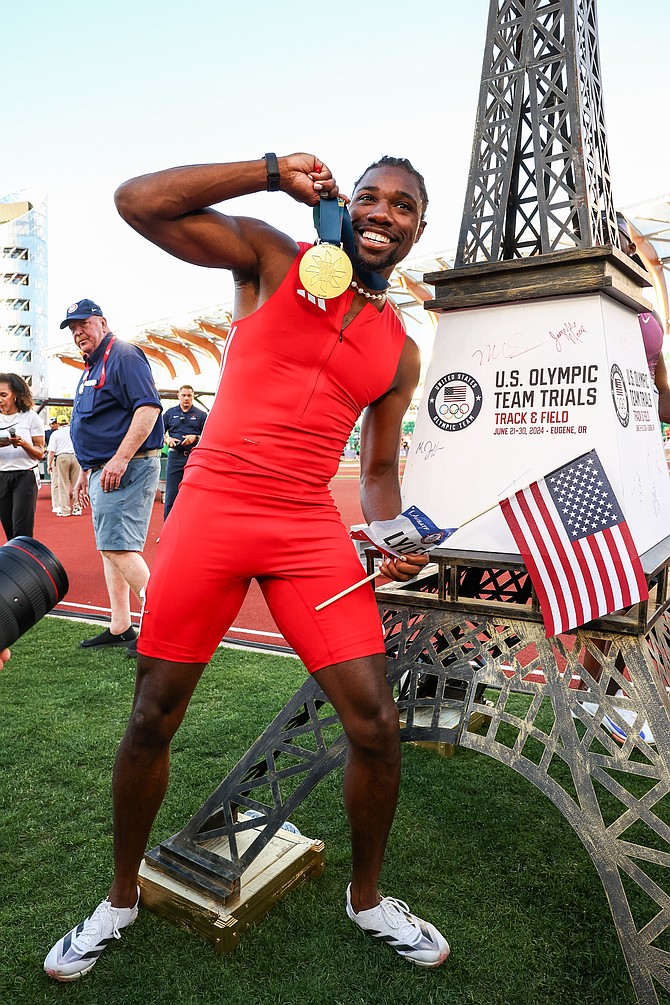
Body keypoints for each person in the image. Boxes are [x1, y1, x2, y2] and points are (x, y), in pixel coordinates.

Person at [44, 152, 450, 982]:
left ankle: (367, 897)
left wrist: (391, 532)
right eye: (367, 196)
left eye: (402, 205)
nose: (381, 212)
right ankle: (120, 897)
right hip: (216, 510)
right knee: (153, 713)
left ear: (418, 225)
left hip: (307, 523)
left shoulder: (400, 350)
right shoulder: (272, 258)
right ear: (342, 208)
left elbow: (376, 471)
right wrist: (269, 171)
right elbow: (138, 203)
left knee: (375, 722)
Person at [62, 299, 163, 653]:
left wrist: (119, 460)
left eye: (83, 325)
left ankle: (163, 624)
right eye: (72, 329)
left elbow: (148, 408)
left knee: (118, 547)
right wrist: (85, 469)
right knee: (111, 549)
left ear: (102, 323)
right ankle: (121, 625)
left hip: (126, 468)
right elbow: (92, 422)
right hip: (103, 469)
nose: (77, 333)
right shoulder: (91, 367)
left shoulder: (123, 355)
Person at [0, 373, 45, 540]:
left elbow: (40, 453)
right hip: (2, 476)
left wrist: (23, 443)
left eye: (3, 395)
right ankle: (14, 564)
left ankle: (25, 563)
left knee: (22, 530)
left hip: (25, 475)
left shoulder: (31, 417)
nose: (0, 399)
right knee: (8, 530)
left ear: (16, 395)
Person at [162, 384, 207, 519]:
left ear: (193, 396)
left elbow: (208, 436)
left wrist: (196, 438)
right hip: (175, 457)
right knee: (171, 495)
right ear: (179, 396)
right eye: (183, 395)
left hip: (195, 458)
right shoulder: (170, 413)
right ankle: (167, 533)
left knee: (194, 495)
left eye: (189, 395)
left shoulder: (201, 415)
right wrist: (167, 439)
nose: (186, 398)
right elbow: (160, 432)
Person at [47, 416, 82, 517]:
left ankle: (65, 510)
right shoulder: (74, 431)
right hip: (75, 457)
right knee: (76, 484)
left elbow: (51, 451)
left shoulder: (56, 434)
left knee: (63, 484)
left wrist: (49, 464)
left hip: (62, 457)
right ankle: (77, 508)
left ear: (57, 423)